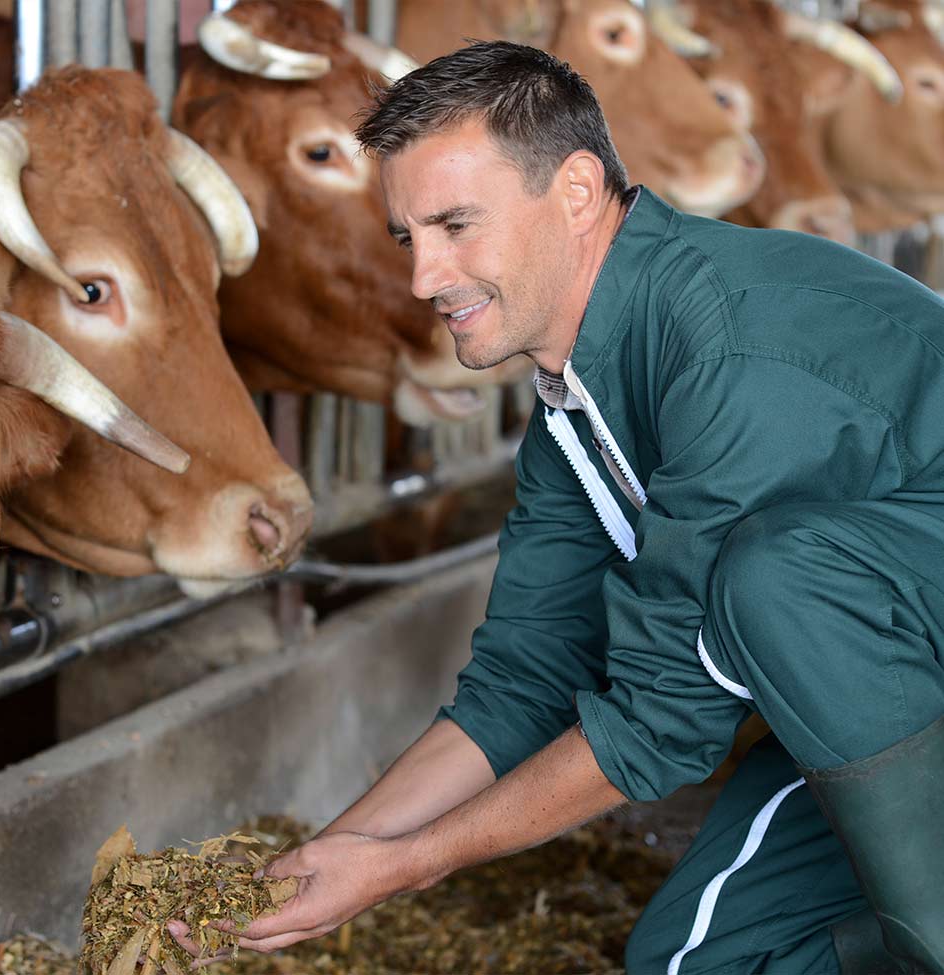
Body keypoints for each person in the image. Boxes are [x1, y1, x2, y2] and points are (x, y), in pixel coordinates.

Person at [170, 40, 944, 973]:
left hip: (901, 674)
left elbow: (664, 722)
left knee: (775, 578)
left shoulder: (722, 350)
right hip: (897, 700)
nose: (424, 277)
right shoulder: (574, 408)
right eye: (409, 237)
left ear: (577, 192)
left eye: (456, 224)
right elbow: (523, 682)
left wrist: (410, 867)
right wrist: (327, 863)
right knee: (696, 961)